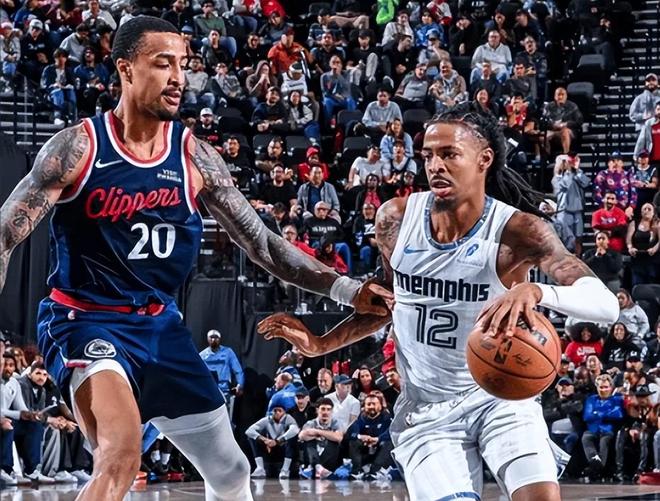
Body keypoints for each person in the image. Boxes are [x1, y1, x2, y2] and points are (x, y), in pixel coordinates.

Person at [0, 16, 391, 501]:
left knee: (231, 471)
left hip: (161, 327)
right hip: (87, 322)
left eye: (182, 65)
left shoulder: (194, 157)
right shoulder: (78, 148)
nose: (178, 78)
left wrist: (348, 289)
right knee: (120, 455)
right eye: (163, 64)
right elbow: (5, 235)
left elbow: (263, 243)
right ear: (125, 69)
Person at [258, 107, 620, 501]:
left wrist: (538, 292)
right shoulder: (395, 219)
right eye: (428, 155)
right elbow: (387, 302)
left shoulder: (519, 231)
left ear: (484, 159)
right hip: (427, 411)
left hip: (501, 398)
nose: (435, 166)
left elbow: (606, 305)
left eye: (449, 154)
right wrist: (322, 344)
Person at [581, 374, 624, 480]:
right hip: (592, 429)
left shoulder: (616, 399)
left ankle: (597, 468)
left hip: (608, 430)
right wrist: (606, 413)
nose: (603, 390)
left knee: (604, 441)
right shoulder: (591, 399)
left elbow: (618, 414)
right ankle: (595, 461)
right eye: (601, 387)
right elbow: (587, 416)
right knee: (586, 438)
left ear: (611, 388)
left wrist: (597, 413)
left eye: (606, 387)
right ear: (597, 387)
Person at [245, 404, 300, 479]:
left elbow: (295, 430)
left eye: (279, 410)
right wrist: (265, 440)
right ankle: (260, 468)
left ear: (284, 412)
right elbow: (249, 431)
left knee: (292, 437)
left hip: (282, 447)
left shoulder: (288, 418)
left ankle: (285, 469)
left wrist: (278, 441)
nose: (277, 412)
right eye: (275, 410)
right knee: (252, 437)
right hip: (269, 446)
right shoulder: (267, 419)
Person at [347, 393, 394, 479]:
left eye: (374, 404)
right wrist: (361, 437)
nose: (371, 406)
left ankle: (376, 471)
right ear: (364, 406)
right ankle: (357, 471)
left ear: (380, 406)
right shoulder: (360, 418)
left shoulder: (387, 418)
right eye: (369, 404)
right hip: (365, 448)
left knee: (389, 442)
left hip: (380, 449)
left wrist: (378, 439)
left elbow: (391, 432)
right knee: (353, 441)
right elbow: (351, 432)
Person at [199, 329, 244, 418]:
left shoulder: (228, 352)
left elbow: (238, 370)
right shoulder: (202, 355)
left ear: (219, 339)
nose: (213, 340)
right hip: (209, 391)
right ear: (207, 339)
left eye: (216, 338)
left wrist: (240, 384)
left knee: (225, 416)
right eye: (211, 337)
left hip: (224, 389)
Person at [298, 397, 343, 479]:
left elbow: (339, 437)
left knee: (334, 441)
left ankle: (318, 467)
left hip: (328, 460)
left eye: (328, 409)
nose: (325, 412)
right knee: (308, 441)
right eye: (323, 409)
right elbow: (301, 435)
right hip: (312, 457)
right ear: (317, 410)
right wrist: (328, 434)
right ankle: (317, 466)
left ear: (332, 411)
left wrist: (317, 432)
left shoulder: (335, 423)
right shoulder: (311, 423)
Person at [626, 202, 660, 287]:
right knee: (637, 284)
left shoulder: (657, 223)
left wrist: (655, 248)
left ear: (653, 212)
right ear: (641, 212)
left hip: (652, 259)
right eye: (644, 209)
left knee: (651, 286)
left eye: (649, 209)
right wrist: (630, 248)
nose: (646, 211)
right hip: (637, 258)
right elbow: (629, 239)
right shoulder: (634, 223)